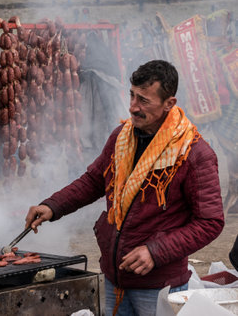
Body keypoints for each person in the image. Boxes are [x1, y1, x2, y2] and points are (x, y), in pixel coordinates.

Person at [25, 60, 224, 316]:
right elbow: (94, 180)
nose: (132, 107)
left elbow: (210, 222)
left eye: (143, 100)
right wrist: (52, 206)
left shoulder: (193, 153)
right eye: (131, 95)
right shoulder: (122, 137)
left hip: (158, 285)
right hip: (114, 276)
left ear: (169, 104)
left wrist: (156, 252)